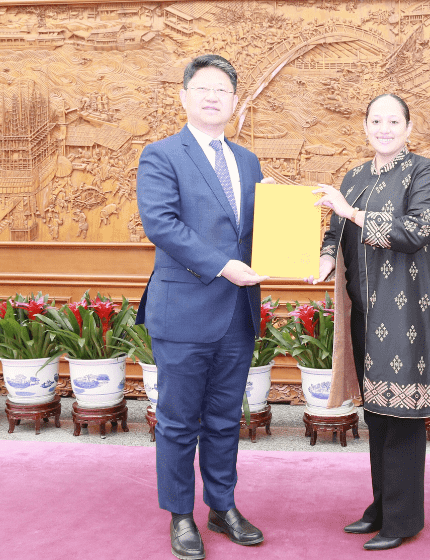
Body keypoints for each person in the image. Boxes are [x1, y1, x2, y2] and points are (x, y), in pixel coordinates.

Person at [136, 54, 268, 560]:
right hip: (185, 309)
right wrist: (223, 266)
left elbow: (253, 230)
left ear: (235, 102)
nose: (214, 97)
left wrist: (286, 222)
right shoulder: (161, 154)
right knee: (177, 420)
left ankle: (222, 505)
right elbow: (163, 225)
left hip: (237, 312)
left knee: (223, 417)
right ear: (184, 96)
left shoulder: (248, 160)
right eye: (204, 88)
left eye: (223, 90)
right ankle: (180, 514)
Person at [310, 93, 430, 551]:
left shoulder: (425, 172)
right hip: (363, 309)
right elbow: (334, 231)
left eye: (394, 121)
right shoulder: (354, 176)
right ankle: (383, 506)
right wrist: (327, 259)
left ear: (409, 129)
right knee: (376, 412)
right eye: (376, 120)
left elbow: (414, 232)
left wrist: (351, 212)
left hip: (406, 308)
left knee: (401, 414)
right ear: (365, 125)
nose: (384, 128)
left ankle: (403, 518)